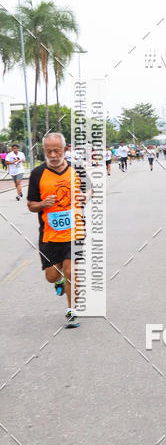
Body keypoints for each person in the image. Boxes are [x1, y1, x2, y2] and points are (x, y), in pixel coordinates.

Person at [26, 132, 89, 329]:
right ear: (44, 151)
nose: (53, 155)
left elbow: (90, 189)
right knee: (52, 276)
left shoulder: (77, 169)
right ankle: (58, 281)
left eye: (57, 150)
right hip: (49, 234)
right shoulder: (37, 173)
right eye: (49, 151)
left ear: (65, 150)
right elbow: (30, 204)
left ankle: (72, 311)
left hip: (75, 231)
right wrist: (43, 203)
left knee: (72, 271)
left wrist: (85, 197)